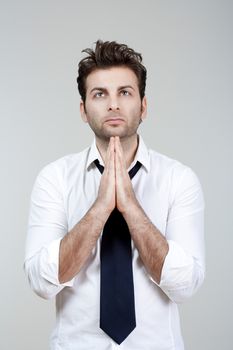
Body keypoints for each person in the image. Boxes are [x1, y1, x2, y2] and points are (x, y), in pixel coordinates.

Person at [24, 40, 205, 350]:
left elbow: (186, 285)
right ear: (83, 110)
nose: (113, 105)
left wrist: (131, 207)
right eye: (99, 94)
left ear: (143, 106)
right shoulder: (54, 179)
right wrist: (100, 209)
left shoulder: (179, 179)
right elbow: (42, 282)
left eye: (125, 92)